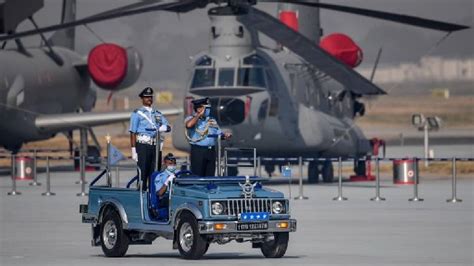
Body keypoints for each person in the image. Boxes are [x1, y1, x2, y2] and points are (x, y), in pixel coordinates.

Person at [129, 87, 171, 190]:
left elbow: (168, 126)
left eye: (150, 97)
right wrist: (134, 150)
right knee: (143, 173)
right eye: (146, 97)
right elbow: (133, 132)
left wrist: (164, 127)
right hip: (143, 145)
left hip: (155, 146)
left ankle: (152, 198)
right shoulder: (137, 114)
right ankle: (141, 197)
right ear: (142, 99)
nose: (149, 99)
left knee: (155, 173)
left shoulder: (157, 114)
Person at [184, 97, 231, 176]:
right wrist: (199, 115)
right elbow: (189, 125)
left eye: (209, 108)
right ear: (199, 109)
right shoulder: (192, 119)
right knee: (197, 174)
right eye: (206, 108)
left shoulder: (212, 120)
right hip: (198, 151)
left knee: (210, 174)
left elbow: (218, 133)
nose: (208, 110)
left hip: (211, 151)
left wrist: (225, 135)